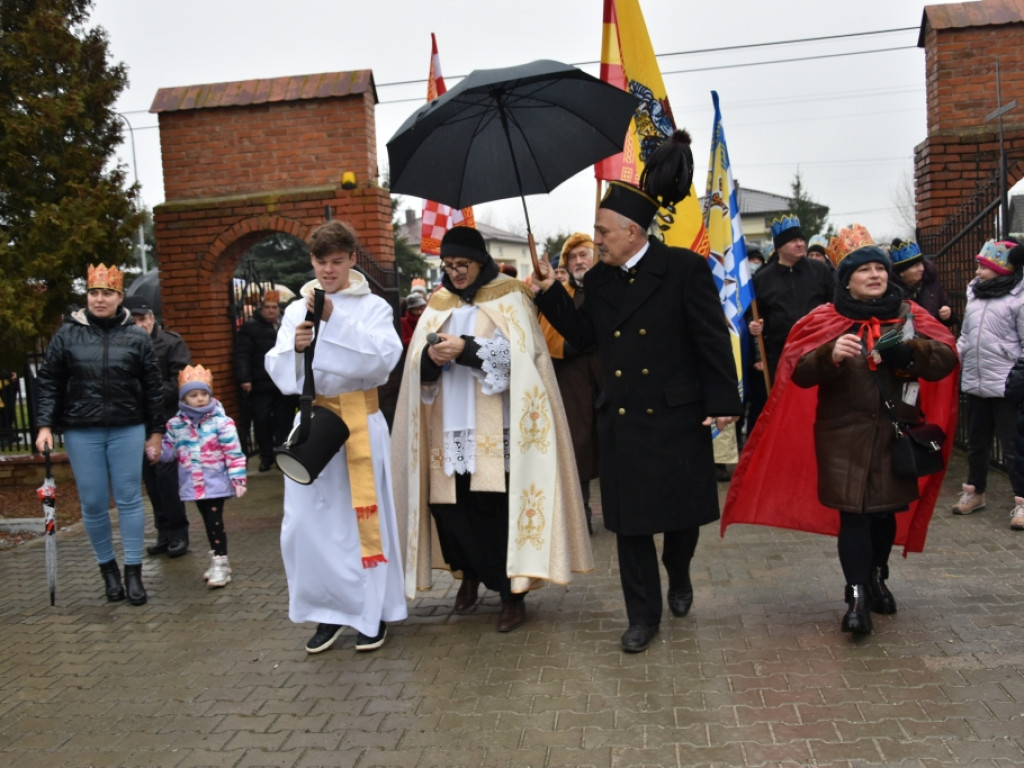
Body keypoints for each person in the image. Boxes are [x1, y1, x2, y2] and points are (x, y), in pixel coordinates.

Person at [533, 130, 743, 653]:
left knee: (679, 523)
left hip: (676, 415)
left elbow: (711, 338)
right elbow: (583, 340)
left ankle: (680, 571)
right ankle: (642, 617)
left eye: (603, 231)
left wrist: (723, 402)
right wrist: (549, 293)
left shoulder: (683, 270)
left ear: (632, 231)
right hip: (622, 420)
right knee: (629, 528)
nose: (596, 240)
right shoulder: (598, 283)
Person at [722, 225, 958, 637]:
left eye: (879, 269)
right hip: (841, 437)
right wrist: (830, 354)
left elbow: (945, 359)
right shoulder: (825, 319)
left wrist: (911, 350)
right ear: (846, 278)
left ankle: (876, 577)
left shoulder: (909, 315)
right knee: (853, 518)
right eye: (864, 269)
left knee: (884, 516)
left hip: (893, 434)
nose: (875, 275)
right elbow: (797, 374)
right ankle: (856, 597)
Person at [392, 225, 593, 634]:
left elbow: (526, 358)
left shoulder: (510, 294)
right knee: (451, 509)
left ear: (480, 261)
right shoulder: (439, 301)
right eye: (448, 266)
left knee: (495, 511)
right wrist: (430, 358)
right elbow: (415, 370)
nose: (455, 274)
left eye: (462, 265)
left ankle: (510, 595)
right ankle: (467, 574)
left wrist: (466, 350)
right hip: (449, 425)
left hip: (498, 424)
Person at [265, 220, 407, 654]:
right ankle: (328, 612)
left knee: (361, 523)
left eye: (338, 262)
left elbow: (383, 362)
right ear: (312, 261)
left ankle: (371, 614)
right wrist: (296, 348)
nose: (329, 271)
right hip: (314, 420)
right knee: (307, 525)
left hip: (359, 421)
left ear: (351, 261)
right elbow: (278, 370)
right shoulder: (294, 309)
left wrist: (333, 319)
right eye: (321, 262)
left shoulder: (372, 307)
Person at [35, 264, 164, 605]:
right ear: (87, 296)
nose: (100, 299)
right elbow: (49, 381)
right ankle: (108, 571)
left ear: (119, 297)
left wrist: (156, 431)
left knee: (129, 499)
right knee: (92, 503)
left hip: (128, 427)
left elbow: (152, 386)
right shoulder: (66, 334)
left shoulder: (136, 335)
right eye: (94, 292)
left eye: (107, 293)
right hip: (82, 430)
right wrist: (45, 425)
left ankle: (133, 571)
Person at [535, 232, 602, 534]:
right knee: (578, 447)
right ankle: (581, 513)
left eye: (584, 254)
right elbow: (548, 337)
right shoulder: (558, 294)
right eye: (572, 257)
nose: (578, 261)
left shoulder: (609, 289)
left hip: (606, 378)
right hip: (571, 380)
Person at [951, 239, 1024, 517]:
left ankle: (1021, 502)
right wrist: (952, 359)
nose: (978, 271)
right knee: (976, 444)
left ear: (1002, 268)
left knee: (1013, 446)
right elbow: (967, 337)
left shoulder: (1018, 299)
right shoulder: (975, 295)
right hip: (975, 382)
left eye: (984, 265)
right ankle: (975, 492)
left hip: (1006, 385)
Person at [159, 365, 246, 587]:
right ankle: (217, 560)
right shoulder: (176, 425)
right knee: (208, 522)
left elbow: (233, 452)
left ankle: (221, 563)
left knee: (215, 521)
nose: (199, 399)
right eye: (193, 395)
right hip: (194, 483)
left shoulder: (221, 422)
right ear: (184, 398)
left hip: (215, 481)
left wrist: (237, 478)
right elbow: (169, 451)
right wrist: (157, 450)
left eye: (204, 394)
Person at [122, 296, 194, 558]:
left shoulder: (171, 342)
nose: (139, 324)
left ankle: (178, 533)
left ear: (152, 319)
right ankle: (163, 532)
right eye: (134, 320)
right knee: (150, 482)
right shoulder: (125, 345)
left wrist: (146, 393)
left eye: (143, 319)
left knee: (166, 478)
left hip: (167, 422)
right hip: (138, 422)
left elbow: (181, 381)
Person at [747, 215, 835, 381]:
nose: (800, 244)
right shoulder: (763, 277)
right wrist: (755, 325)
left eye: (801, 239)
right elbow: (757, 313)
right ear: (779, 247)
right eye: (793, 241)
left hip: (819, 351)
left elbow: (834, 306)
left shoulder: (820, 271)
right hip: (781, 355)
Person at [234, 290, 297, 472]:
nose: (271, 311)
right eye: (267, 308)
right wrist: (245, 378)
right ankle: (266, 455)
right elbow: (242, 354)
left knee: (284, 421)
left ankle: (282, 454)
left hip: (283, 384)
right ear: (261, 309)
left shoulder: (286, 325)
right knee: (261, 420)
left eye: (274, 307)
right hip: (261, 383)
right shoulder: (250, 327)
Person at [889, 239, 956, 327]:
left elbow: (948, 319)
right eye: (916, 266)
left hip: (932, 339)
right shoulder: (891, 292)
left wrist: (948, 315)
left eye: (921, 264)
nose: (921, 268)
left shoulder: (931, 285)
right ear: (902, 273)